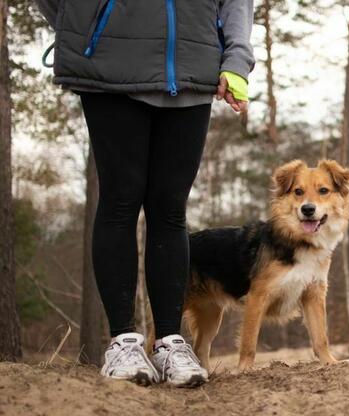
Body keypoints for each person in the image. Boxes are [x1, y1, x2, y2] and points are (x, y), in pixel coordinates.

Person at [36, 0, 254, 387]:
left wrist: (236, 57)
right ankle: (122, 342)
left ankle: (170, 342)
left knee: (171, 210)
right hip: (110, 69)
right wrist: (89, 26)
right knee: (120, 201)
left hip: (191, 66)